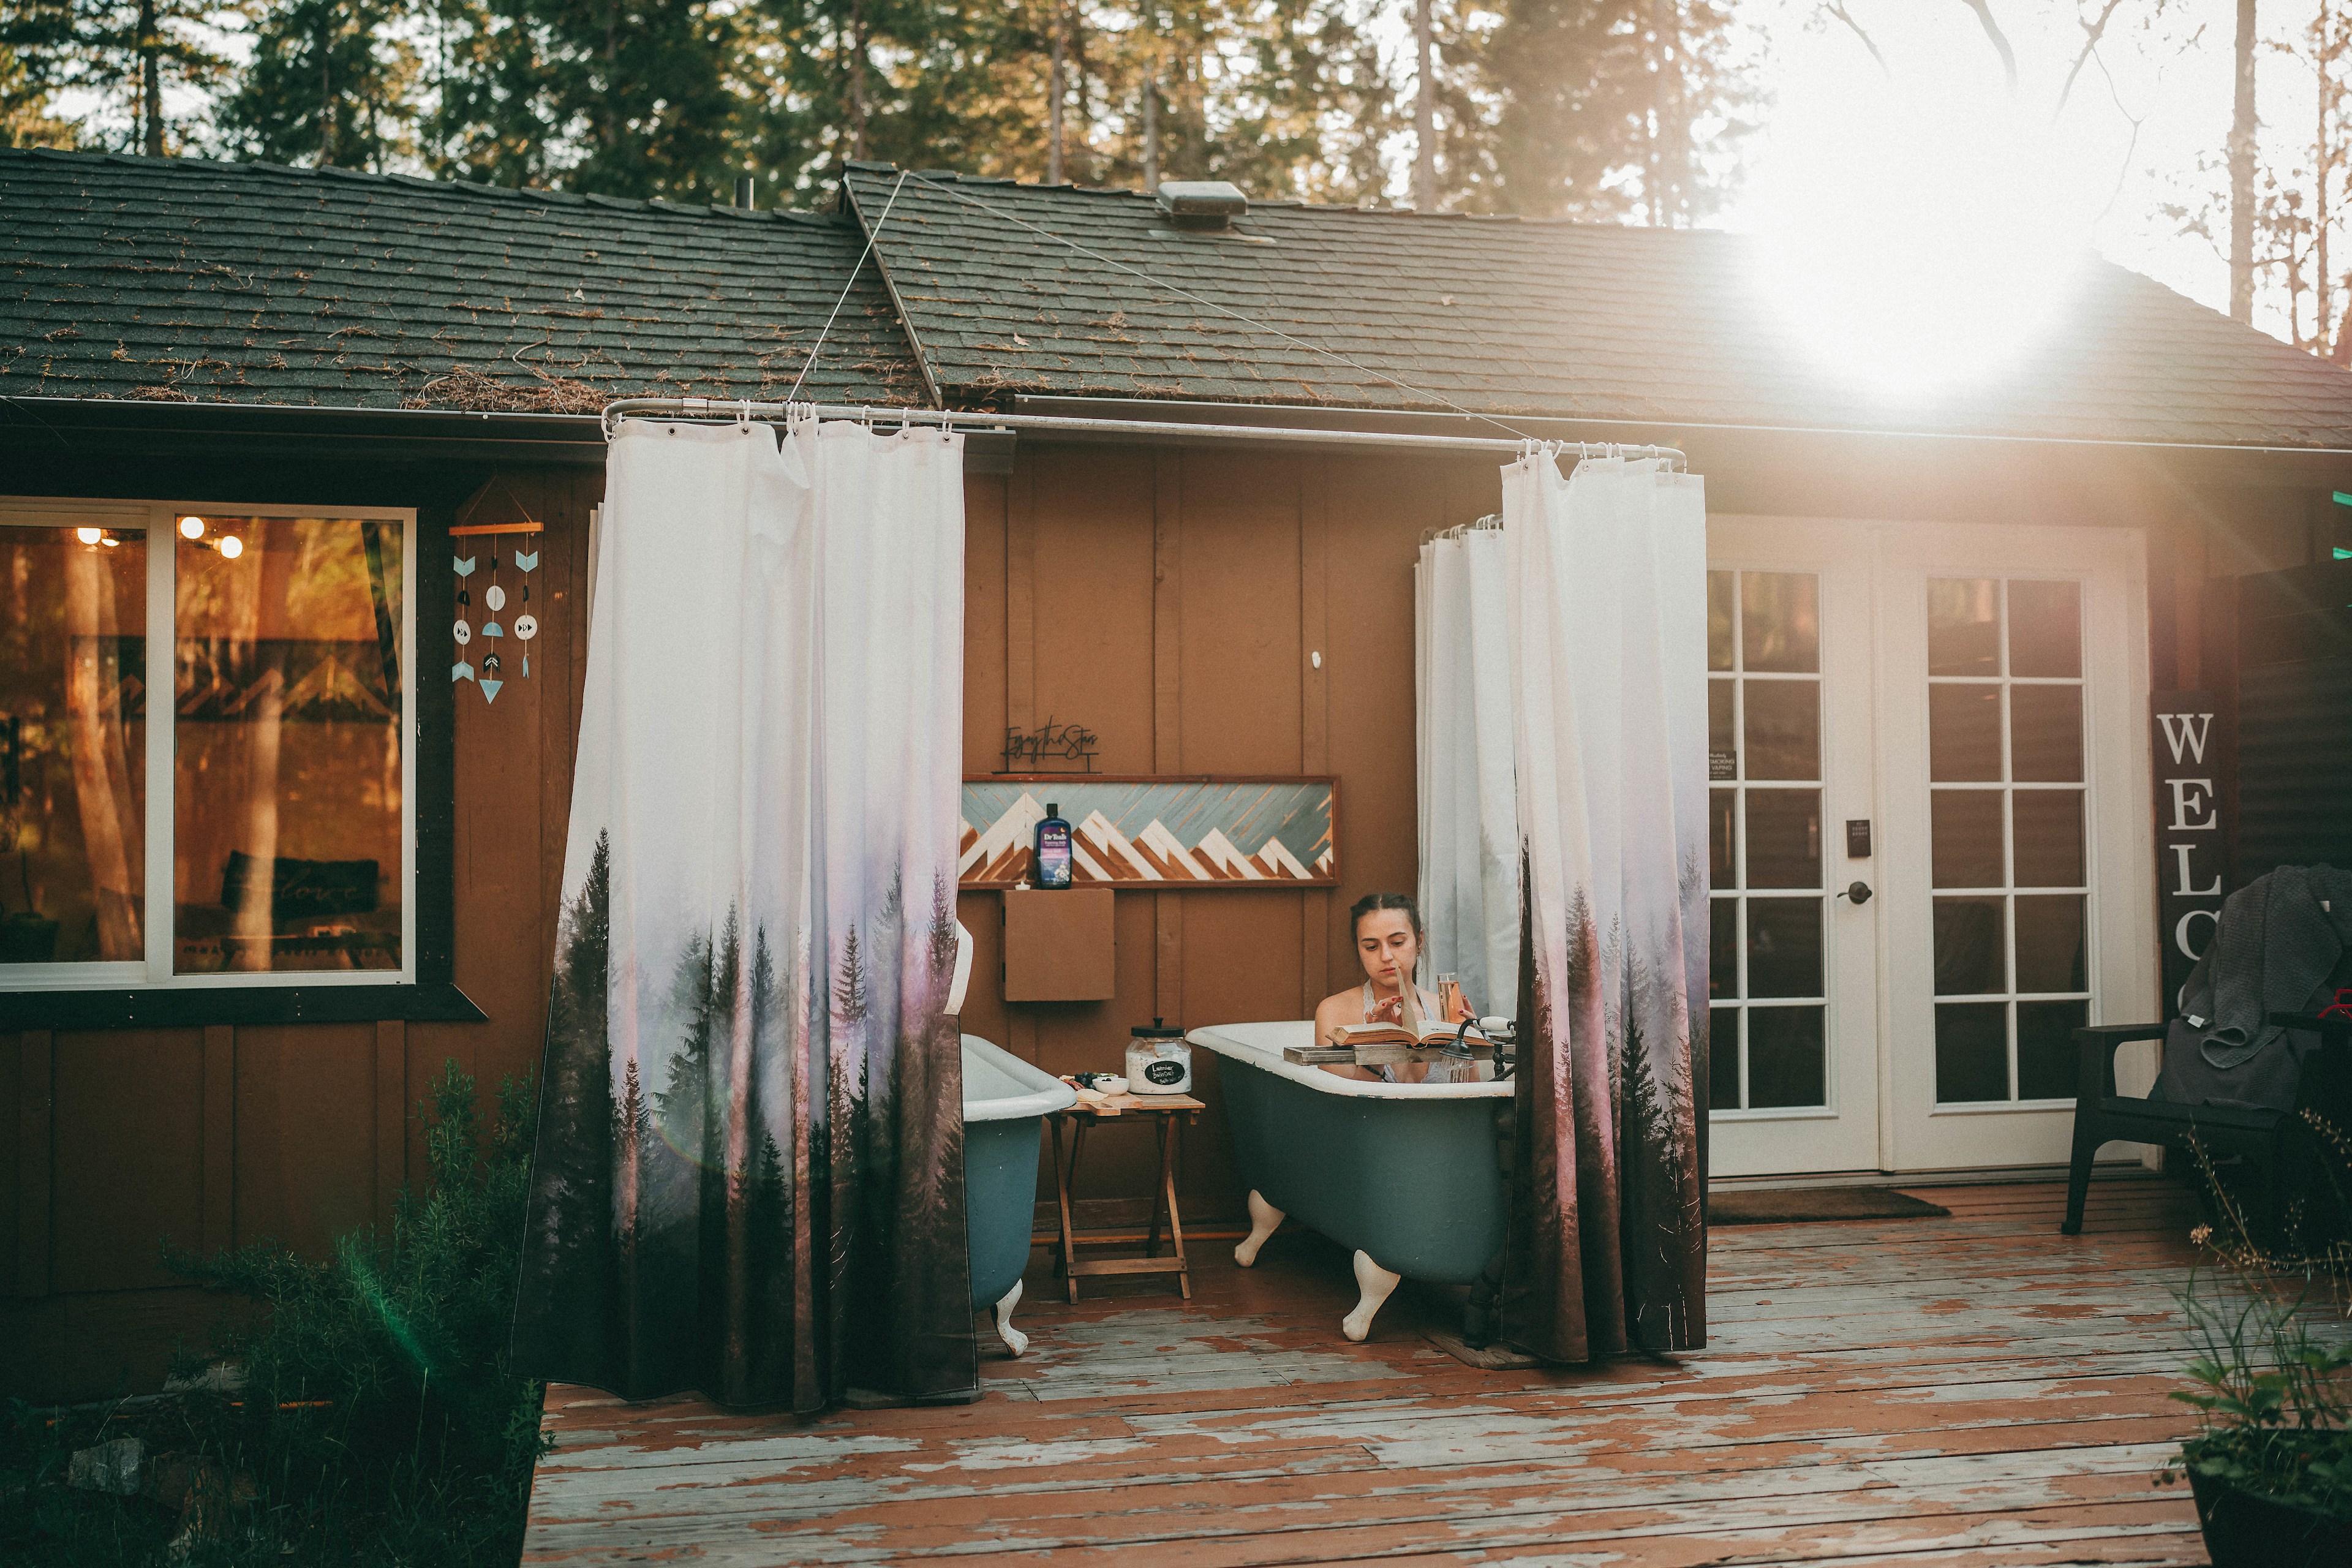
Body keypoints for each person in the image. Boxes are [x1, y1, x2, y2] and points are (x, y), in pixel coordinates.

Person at [1312, 892, 1480, 1084]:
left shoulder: (1445, 1010)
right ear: (1358, 948)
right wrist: (1377, 1051)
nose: (1386, 956)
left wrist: (1470, 1044)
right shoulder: (1335, 1011)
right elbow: (1341, 1101)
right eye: (1371, 947)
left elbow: (1472, 1093)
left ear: (1419, 941)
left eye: (1397, 943)